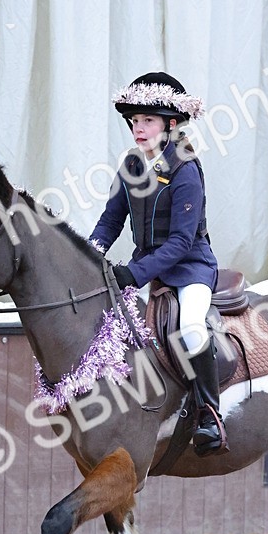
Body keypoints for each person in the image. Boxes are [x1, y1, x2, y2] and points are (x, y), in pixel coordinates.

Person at [89, 71, 228, 455]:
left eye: (147, 120)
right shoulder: (132, 165)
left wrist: (133, 274)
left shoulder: (186, 169)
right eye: (134, 121)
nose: (138, 128)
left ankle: (209, 414)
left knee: (191, 330)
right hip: (148, 270)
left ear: (170, 124)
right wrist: (90, 253)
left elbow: (183, 242)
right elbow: (111, 219)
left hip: (190, 270)